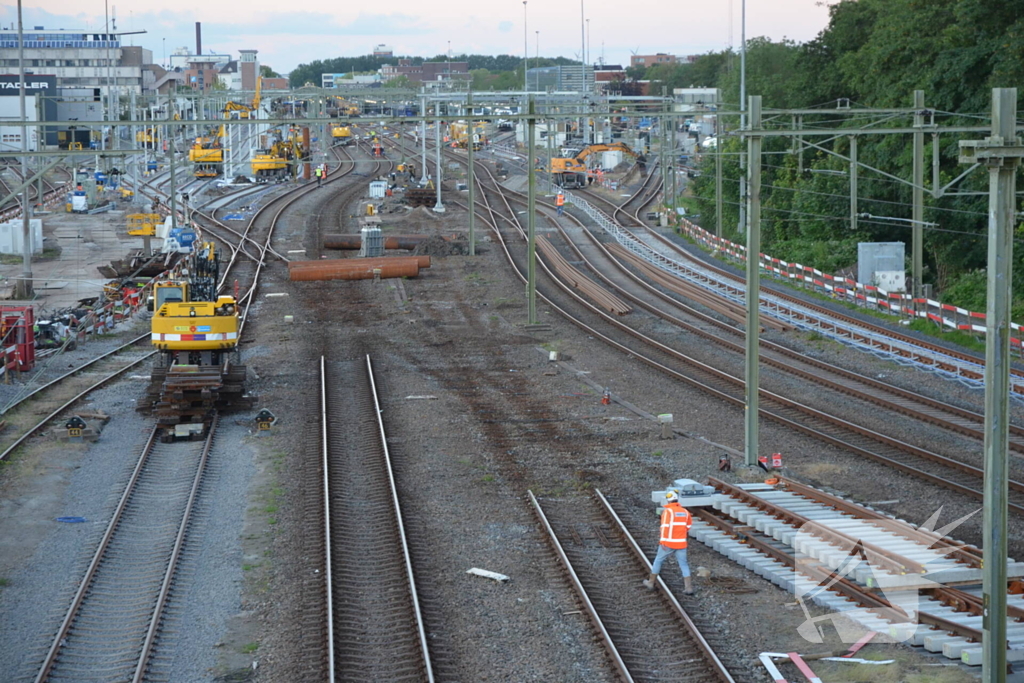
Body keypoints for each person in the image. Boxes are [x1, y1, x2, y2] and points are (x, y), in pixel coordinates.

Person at [643, 490, 694, 594]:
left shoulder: (668, 512)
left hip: (668, 543)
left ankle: (651, 582)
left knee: (658, 560)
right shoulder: (685, 512)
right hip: (681, 543)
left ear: (668, 500)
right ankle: (688, 588)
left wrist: (663, 541)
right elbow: (688, 526)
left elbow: (665, 527)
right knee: (683, 564)